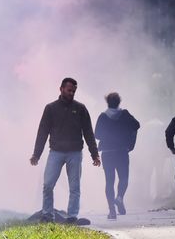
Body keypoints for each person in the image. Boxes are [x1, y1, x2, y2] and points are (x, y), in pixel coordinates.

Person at [30, 77, 101, 224]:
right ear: (61, 89)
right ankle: (47, 215)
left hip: (75, 153)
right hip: (55, 152)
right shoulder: (50, 108)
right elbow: (42, 132)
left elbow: (88, 132)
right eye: (69, 90)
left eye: (74, 91)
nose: (71, 93)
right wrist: (36, 154)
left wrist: (94, 154)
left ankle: (72, 217)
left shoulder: (81, 109)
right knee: (48, 184)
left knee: (74, 187)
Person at [94, 92, 140, 220]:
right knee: (124, 177)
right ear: (119, 102)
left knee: (109, 181)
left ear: (107, 102)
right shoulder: (124, 114)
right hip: (122, 151)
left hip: (108, 153)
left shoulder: (103, 117)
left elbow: (96, 134)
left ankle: (112, 211)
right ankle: (119, 197)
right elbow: (137, 125)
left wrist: (108, 136)